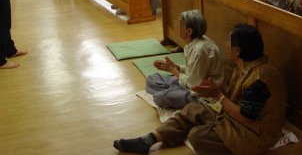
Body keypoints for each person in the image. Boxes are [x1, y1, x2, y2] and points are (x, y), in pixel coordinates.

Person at [114, 23, 287, 155]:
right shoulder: (243, 65)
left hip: (253, 134)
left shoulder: (261, 77)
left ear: (237, 50)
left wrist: (218, 95)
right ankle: (149, 140)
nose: (226, 45)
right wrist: (217, 91)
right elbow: (235, 97)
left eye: (229, 42)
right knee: (193, 109)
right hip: (234, 119)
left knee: (197, 136)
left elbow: (246, 117)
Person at [146, 10, 224, 109]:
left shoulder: (201, 50)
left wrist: (173, 71)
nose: (175, 25)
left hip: (201, 94)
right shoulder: (193, 43)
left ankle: (174, 92)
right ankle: (173, 90)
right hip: (188, 81)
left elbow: (194, 84)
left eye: (179, 24)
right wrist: (176, 67)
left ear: (189, 31)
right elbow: (191, 69)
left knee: (159, 98)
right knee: (151, 79)